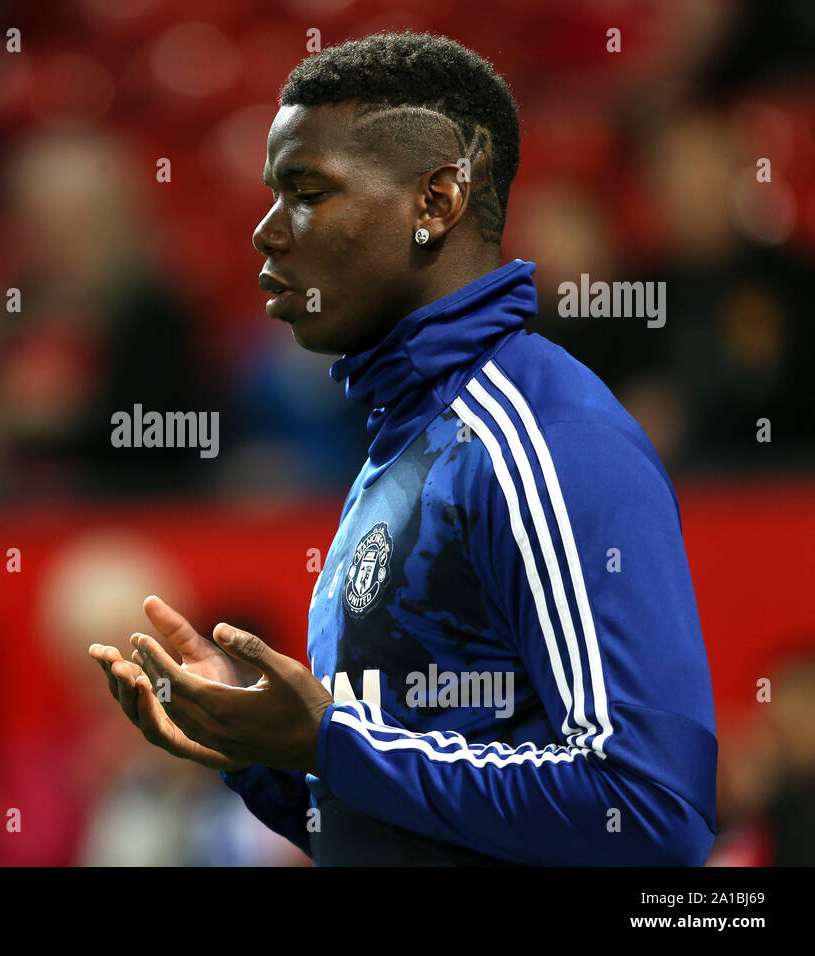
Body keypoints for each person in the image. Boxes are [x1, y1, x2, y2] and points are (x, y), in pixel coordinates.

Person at [89, 32, 716, 866]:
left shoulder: (547, 437)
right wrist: (259, 749)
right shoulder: (405, 437)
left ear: (437, 201)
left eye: (306, 191)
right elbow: (388, 828)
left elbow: (649, 810)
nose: (266, 233)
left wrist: (333, 745)